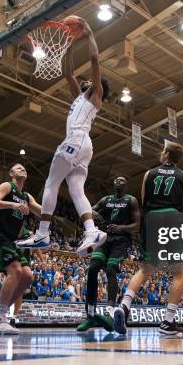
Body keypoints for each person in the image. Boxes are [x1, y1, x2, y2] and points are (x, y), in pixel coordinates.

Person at [19, 19, 109, 255]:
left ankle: (42, 234)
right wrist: (69, 42)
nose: (85, 81)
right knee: (76, 190)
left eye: (88, 81)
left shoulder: (95, 96)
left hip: (77, 140)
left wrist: (89, 33)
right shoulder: (79, 97)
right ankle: (91, 230)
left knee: (51, 182)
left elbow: (95, 61)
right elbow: (67, 72)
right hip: (84, 147)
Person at [113, 142, 183, 337]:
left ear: (165, 154)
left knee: (145, 269)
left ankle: (124, 305)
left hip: (151, 218)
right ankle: (168, 322)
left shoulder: (149, 174)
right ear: (178, 159)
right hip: (172, 216)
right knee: (179, 273)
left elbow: (144, 200)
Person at [77, 177, 140, 332]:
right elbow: (86, 211)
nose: (118, 181)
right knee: (92, 269)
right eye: (116, 180)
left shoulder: (131, 200)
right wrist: (91, 212)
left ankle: (110, 313)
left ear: (126, 186)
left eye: (122, 180)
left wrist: (121, 227)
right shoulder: (106, 200)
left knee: (111, 269)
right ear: (113, 185)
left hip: (121, 241)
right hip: (104, 238)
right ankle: (90, 315)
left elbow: (137, 225)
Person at [0, 163, 41, 334]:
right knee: (15, 270)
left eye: (24, 168)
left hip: (10, 240)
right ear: (11, 173)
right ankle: (0, 318)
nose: (23, 169)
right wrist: (13, 205)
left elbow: (44, 212)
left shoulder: (27, 196)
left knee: (27, 277)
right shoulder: (7, 186)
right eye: (18, 168)